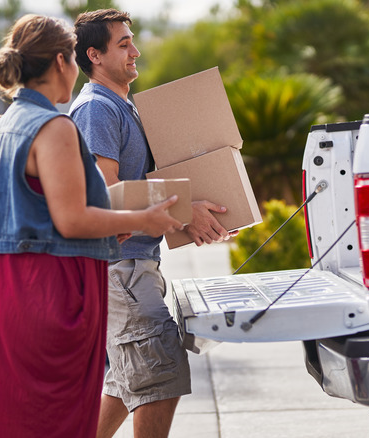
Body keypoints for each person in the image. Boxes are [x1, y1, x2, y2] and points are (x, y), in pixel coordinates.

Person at [0, 14, 183, 438]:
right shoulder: (54, 127)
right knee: (54, 421)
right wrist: (144, 219)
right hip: (49, 297)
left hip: (6, 295)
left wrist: (111, 227)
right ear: (64, 62)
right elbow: (72, 218)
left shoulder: (4, 126)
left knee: (12, 419)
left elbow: (38, 218)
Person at [71, 9, 235, 438]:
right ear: (95, 55)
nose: (135, 51)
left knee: (128, 384)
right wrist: (185, 211)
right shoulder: (95, 110)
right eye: (123, 43)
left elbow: (141, 183)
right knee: (160, 380)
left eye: (132, 41)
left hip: (134, 266)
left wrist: (206, 218)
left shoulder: (124, 107)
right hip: (119, 269)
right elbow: (107, 196)